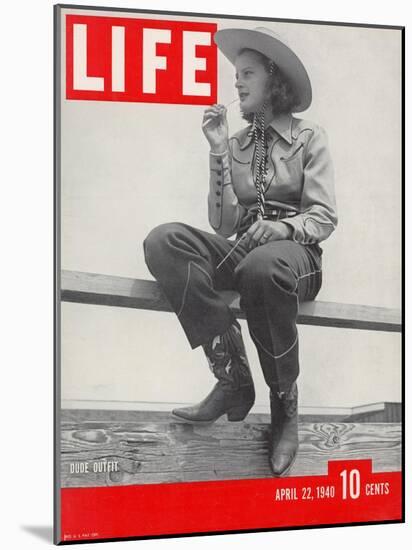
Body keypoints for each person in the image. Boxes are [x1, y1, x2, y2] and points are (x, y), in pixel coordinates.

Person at [142, 26, 338, 476]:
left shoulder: (311, 137)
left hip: (295, 256)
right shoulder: (237, 143)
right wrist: (217, 151)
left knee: (262, 267)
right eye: (236, 76)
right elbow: (224, 224)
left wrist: (282, 226)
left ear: (273, 80)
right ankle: (233, 377)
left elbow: (324, 218)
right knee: (164, 240)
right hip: (243, 249)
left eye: (247, 74)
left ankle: (284, 404)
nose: (237, 83)